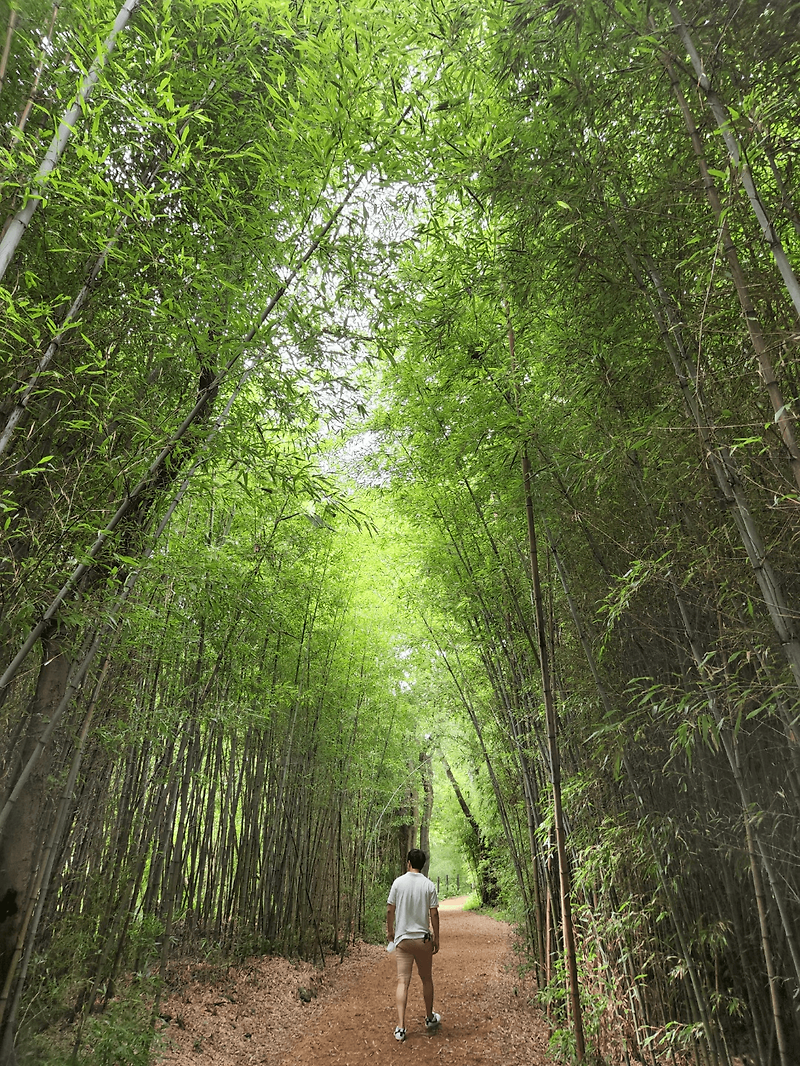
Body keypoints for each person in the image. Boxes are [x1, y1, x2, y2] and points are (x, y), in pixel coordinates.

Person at [386, 848, 441, 1042]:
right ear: (422, 864)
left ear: (408, 862)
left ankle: (400, 1028)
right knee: (426, 978)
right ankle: (429, 1018)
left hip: (403, 941)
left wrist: (391, 933)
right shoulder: (429, 885)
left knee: (403, 981)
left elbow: (390, 910)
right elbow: (434, 913)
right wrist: (437, 937)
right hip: (423, 939)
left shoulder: (398, 883)